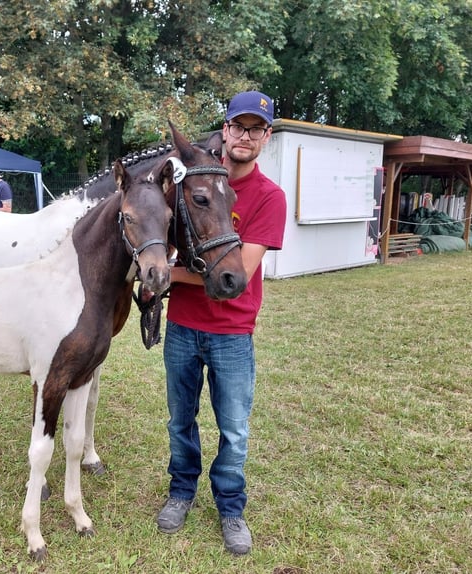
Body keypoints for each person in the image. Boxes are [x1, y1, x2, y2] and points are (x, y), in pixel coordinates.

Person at [156, 90, 287, 555]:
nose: (245, 136)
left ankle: (231, 509)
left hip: (232, 332)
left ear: (266, 137)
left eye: (257, 129)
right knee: (180, 420)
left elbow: (235, 277)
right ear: (225, 130)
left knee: (233, 428)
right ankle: (181, 492)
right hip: (183, 326)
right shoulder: (194, 182)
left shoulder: (270, 198)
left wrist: (160, 274)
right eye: (239, 126)